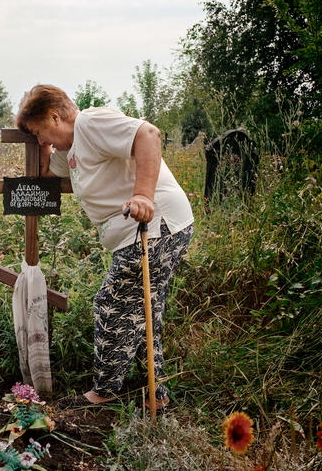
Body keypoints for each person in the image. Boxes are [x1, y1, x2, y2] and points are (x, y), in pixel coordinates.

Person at [15, 84, 194, 412]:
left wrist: (142, 194)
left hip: (155, 227)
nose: (41, 141)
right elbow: (43, 174)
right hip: (142, 231)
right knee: (141, 310)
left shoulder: (90, 124)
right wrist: (38, 144)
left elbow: (148, 134)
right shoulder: (71, 153)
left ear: (55, 116)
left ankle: (106, 391)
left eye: (40, 132)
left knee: (111, 304)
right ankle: (154, 394)